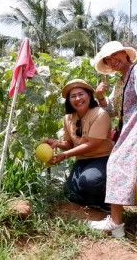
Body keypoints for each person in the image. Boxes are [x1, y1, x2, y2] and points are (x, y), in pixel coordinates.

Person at [87, 41, 137, 238]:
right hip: (131, 127)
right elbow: (113, 112)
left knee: (117, 164)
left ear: (125, 53)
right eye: (107, 59)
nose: (112, 60)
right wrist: (100, 97)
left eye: (115, 55)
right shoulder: (120, 81)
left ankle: (116, 223)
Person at [43, 79, 113, 212]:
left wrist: (64, 155)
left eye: (81, 94)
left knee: (89, 181)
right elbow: (69, 143)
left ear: (89, 95)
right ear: (69, 100)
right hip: (83, 160)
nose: (77, 99)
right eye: (73, 96)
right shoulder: (68, 118)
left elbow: (92, 144)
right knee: (70, 193)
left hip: (103, 157)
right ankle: (93, 202)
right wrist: (56, 143)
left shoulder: (100, 114)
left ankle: (109, 204)